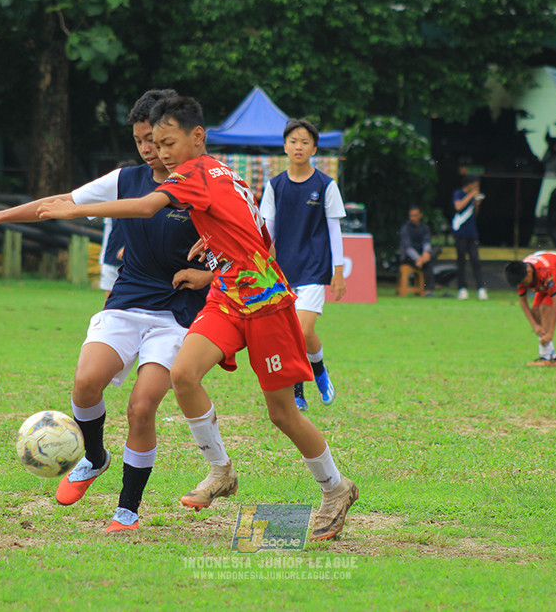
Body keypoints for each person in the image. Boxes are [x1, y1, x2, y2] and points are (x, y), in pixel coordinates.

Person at [35, 95, 359, 541]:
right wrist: (212, 244)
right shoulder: (227, 174)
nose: (162, 152)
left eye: (168, 142)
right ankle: (221, 471)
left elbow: (148, 206)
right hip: (227, 294)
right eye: (155, 144)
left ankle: (336, 488)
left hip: (266, 301)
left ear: (197, 136)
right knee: (184, 373)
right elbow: (253, 229)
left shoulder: (194, 172)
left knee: (282, 414)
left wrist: (75, 209)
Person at [0, 89, 213, 533]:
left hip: (177, 313)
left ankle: (127, 511)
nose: (150, 150)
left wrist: (210, 277)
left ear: (182, 136)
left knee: (142, 406)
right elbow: (59, 203)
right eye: (140, 141)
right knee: (86, 382)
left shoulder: (208, 183)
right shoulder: (126, 180)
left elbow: (252, 246)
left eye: (156, 139)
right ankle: (95, 457)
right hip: (127, 301)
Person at [260, 119, 346, 413]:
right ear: (285, 147)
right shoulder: (274, 186)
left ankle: (318, 371)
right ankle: (299, 390)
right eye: (294, 141)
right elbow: (266, 231)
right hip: (280, 272)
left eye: (305, 142)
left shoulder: (325, 185)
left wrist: (338, 271)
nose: (299, 146)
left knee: (303, 329)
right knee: (288, 334)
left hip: (313, 269)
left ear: (314, 148)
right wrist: (261, 265)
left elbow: (334, 231)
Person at [504, 250, 556, 367]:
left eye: (524, 282)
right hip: (546, 277)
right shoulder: (521, 275)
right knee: (535, 312)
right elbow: (523, 301)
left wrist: (551, 332)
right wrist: (534, 325)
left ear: (529, 272)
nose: (523, 286)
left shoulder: (546, 272)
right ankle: (552, 357)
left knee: (545, 307)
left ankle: (547, 358)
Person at [451, 175, 488, 301]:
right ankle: (462, 288)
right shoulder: (459, 193)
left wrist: (477, 204)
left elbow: (475, 214)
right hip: (460, 232)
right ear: (470, 184)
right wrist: (471, 195)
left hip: (472, 232)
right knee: (461, 261)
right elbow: (458, 207)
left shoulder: (473, 196)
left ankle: (480, 288)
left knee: (475, 260)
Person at [398, 206, 435, 297]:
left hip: (422, 257)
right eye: (411, 216)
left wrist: (424, 255)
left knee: (432, 253)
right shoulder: (405, 228)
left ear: (420, 215)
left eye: (415, 215)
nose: (412, 218)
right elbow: (408, 248)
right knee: (428, 262)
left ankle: (427, 289)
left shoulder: (424, 228)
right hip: (409, 257)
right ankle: (427, 290)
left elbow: (427, 242)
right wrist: (418, 258)